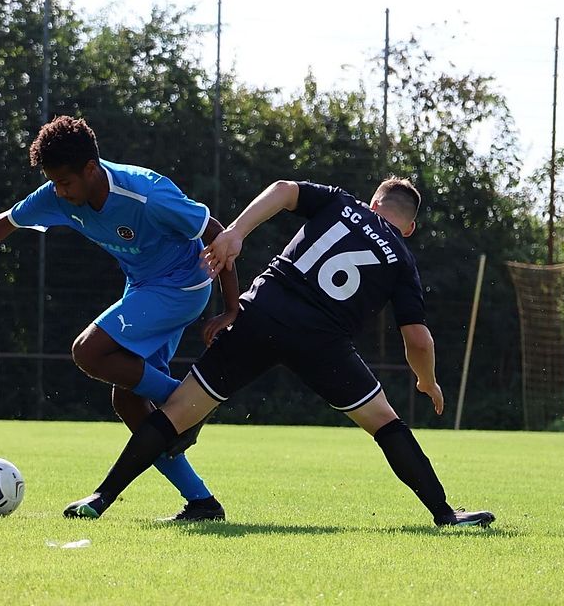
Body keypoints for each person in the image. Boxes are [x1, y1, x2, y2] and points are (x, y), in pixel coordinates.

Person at [64, 177, 496, 527]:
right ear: (410, 228)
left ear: (374, 202)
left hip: (262, 314)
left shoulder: (341, 202)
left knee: (175, 412)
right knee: (385, 424)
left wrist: (234, 232)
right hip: (323, 342)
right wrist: (426, 380)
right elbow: (418, 338)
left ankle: (101, 498)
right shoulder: (402, 260)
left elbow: (284, 189)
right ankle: (444, 513)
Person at [0, 115, 238, 522]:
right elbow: (5, 222)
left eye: (65, 182)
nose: (59, 191)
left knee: (89, 351)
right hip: (144, 287)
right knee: (126, 398)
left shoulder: (147, 194)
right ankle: (202, 502)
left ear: (91, 169)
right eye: (53, 182)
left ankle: (189, 401)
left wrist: (231, 309)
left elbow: (217, 233)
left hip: (184, 286)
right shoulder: (59, 194)